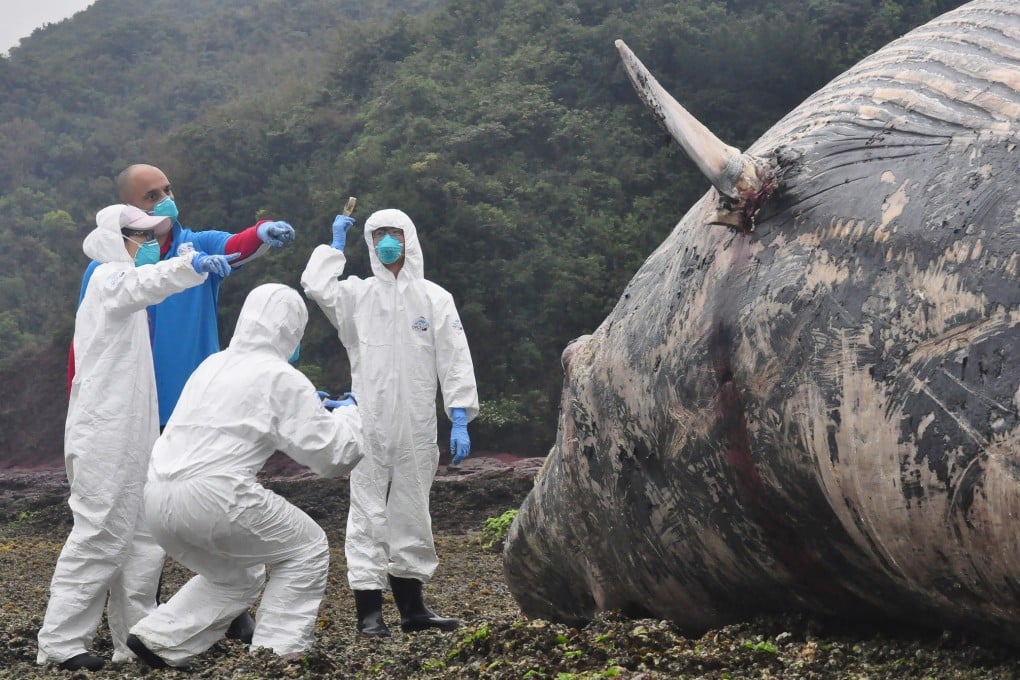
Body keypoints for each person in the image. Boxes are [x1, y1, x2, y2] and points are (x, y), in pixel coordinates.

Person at [69, 163, 295, 641]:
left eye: (169, 189)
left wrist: (262, 231)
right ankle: (136, 621)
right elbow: (82, 349)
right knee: (141, 523)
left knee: (211, 504)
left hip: (200, 410)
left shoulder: (198, 245)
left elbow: (236, 244)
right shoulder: (113, 272)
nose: (166, 200)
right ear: (128, 212)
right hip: (135, 412)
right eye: (152, 196)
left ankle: (227, 605)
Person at [37, 205, 238, 672]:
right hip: (103, 432)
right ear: (114, 237)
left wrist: (184, 264)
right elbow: (144, 282)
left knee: (144, 537)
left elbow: (148, 287)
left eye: (150, 236)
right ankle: (61, 644)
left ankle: (136, 640)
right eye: (138, 235)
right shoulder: (108, 279)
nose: (147, 243)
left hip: (135, 428)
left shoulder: (131, 303)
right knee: (100, 531)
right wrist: (189, 265)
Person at [125, 283, 365, 669]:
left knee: (238, 575)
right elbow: (334, 457)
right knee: (306, 549)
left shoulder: (212, 365)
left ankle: (158, 637)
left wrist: (312, 409)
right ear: (290, 331)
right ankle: (277, 651)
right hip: (215, 496)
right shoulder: (279, 376)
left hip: (157, 499)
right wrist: (350, 413)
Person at [301, 208, 479, 637]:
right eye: (378, 233)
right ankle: (369, 612)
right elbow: (316, 286)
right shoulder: (357, 296)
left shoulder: (434, 298)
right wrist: (334, 247)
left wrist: (459, 415)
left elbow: (454, 355)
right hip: (369, 422)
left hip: (417, 425)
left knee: (413, 513)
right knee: (366, 513)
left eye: (393, 233)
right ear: (369, 240)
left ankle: (413, 608)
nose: (386, 241)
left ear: (409, 238)